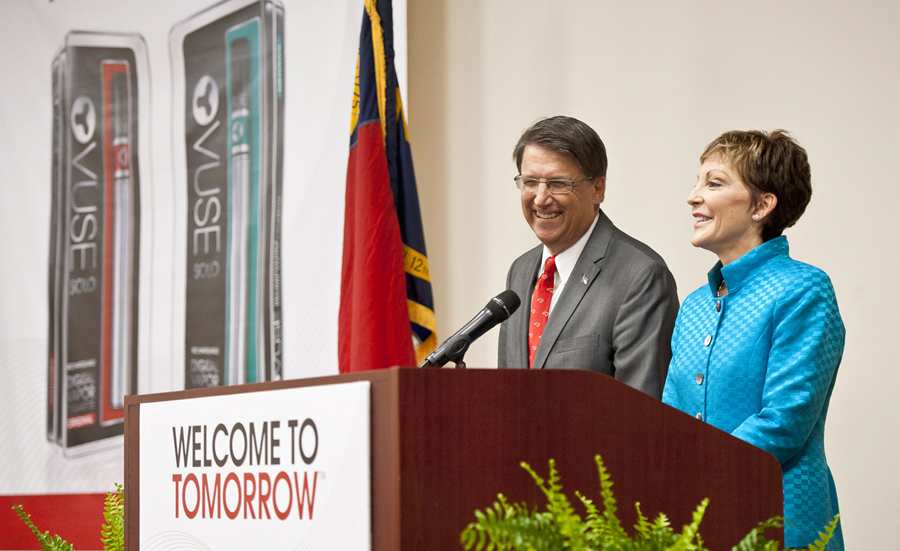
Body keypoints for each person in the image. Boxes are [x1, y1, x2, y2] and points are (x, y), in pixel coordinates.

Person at [662, 130, 844, 550]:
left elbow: (784, 421)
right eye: (697, 181)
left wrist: (695, 480)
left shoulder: (804, 289)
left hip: (781, 522)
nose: (693, 196)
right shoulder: (694, 305)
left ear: (763, 205)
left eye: (714, 182)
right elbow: (669, 422)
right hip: (696, 527)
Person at [497, 116, 678, 398]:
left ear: (597, 189)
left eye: (557, 183)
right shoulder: (520, 271)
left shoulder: (640, 275)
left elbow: (643, 415)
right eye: (530, 181)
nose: (541, 198)